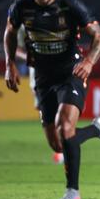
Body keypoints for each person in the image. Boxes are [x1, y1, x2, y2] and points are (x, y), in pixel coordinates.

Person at [4, 0, 100, 199]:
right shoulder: (21, 7)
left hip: (71, 73)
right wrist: (10, 63)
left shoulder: (69, 4)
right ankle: (95, 129)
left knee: (64, 126)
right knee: (57, 144)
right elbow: (10, 33)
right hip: (43, 78)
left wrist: (89, 61)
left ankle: (73, 191)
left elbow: (98, 37)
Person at [16, 24, 64, 164]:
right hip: (36, 73)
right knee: (44, 111)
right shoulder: (23, 23)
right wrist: (29, 56)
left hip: (58, 70)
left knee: (60, 109)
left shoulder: (56, 13)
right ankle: (59, 146)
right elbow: (17, 49)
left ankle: (62, 149)